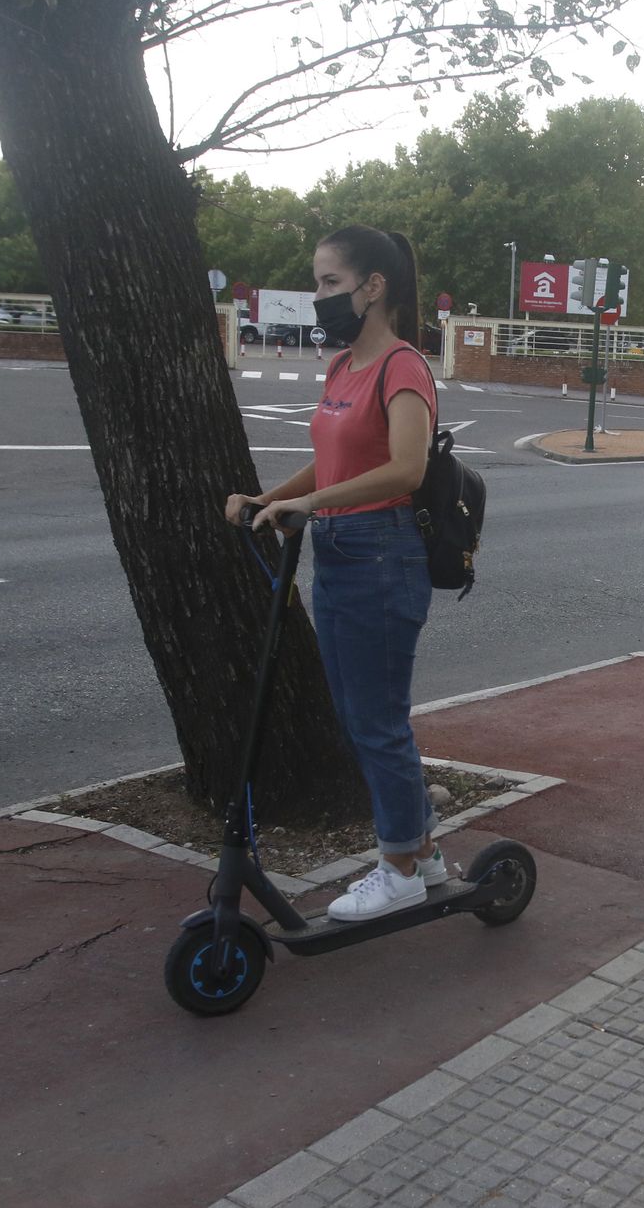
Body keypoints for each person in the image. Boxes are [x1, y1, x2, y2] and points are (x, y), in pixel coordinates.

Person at [224, 224, 442, 923]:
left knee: (376, 722)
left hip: (383, 551)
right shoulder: (342, 369)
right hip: (340, 549)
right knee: (358, 716)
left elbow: (406, 469)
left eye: (328, 284)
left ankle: (401, 867)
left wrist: (312, 503)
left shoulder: (402, 366)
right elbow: (333, 462)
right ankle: (425, 853)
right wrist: (273, 497)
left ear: (371, 288)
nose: (318, 297)